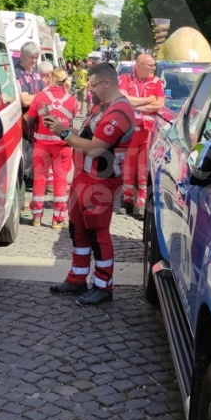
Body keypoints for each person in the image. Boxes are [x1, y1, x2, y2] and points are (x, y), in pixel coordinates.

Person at [45, 62, 135, 305]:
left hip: (101, 181)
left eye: (93, 85)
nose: (90, 90)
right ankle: (77, 279)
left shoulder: (119, 111)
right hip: (85, 177)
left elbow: (96, 148)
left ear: (107, 82)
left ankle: (103, 285)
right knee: (78, 229)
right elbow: (88, 136)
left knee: (97, 232)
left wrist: (64, 133)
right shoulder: (103, 107)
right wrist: (63, 128)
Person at [26, 69, 79, 227]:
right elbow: (72, 119)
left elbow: (30, 120)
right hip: (62, 146)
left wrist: (31, 135)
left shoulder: (39, 97)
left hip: (41, 145)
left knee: (40, 179)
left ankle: (36, 217)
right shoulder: (72, 100)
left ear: (50, 78)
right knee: (61, 181)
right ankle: (58, 219)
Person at [118, 53, 165, 218]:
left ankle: (141, 202)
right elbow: (122, 100)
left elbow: (159, 104)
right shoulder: (125, 78)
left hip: (147, 130)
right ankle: (127, 201)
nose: (153, 68)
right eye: (150, 65)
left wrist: (135, 105)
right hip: (129, 129)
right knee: (128, 165)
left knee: (144, 167)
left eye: (153, 65)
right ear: (138, 65)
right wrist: (147, 101)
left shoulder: (156, 81)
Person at [14, 41, 43, 183]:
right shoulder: (17, 73)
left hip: (34, 122)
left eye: (36, 57)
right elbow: (24, 100)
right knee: (25, 155)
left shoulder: (35, 73)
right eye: (32, 57)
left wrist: (37, 97)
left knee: (33, 153)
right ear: (23, 55)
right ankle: (25, 182)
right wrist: (40, 96)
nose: (34, 60)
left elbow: (46, 90)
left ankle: (31, 178)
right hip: (23, 122)